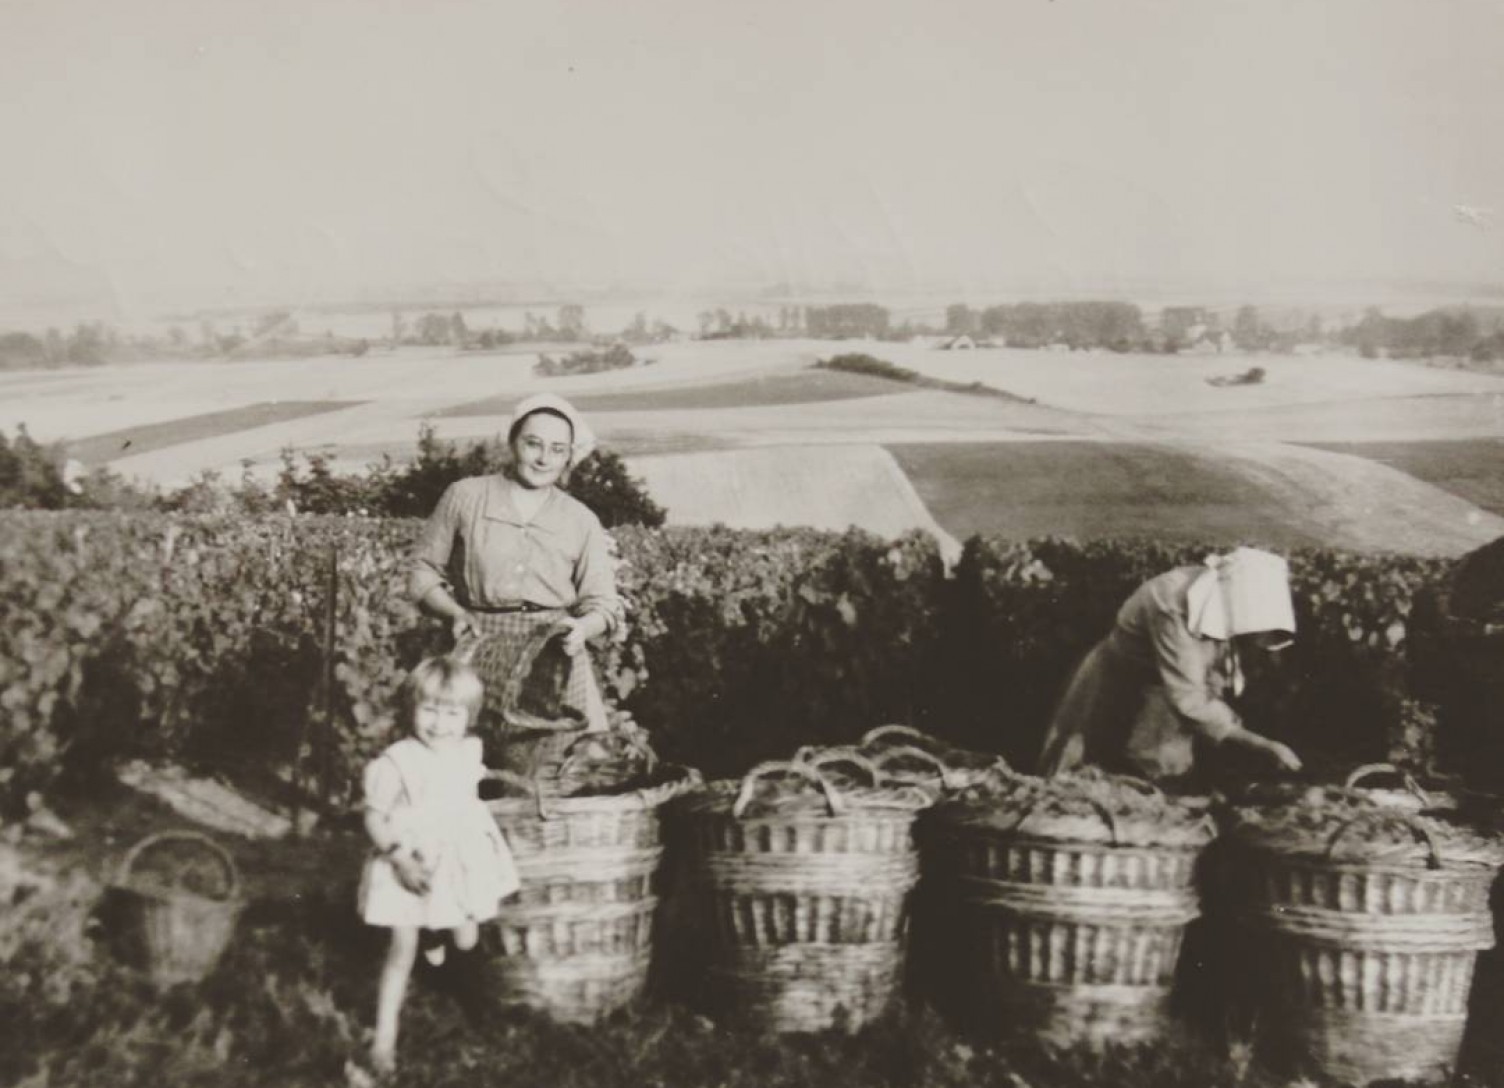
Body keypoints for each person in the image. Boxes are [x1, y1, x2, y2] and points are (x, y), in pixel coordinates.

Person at [405, 393, 625, 741]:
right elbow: (422, 571)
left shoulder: (581, 519)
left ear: (569, 456)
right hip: (478, 643)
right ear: (512, 443)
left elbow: (603, 603)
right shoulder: (465, 497)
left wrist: (582, 629)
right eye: (533, 444)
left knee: (557, 756)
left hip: (553, 655)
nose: (543, 459)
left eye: (557, 449)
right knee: (462, 751)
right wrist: (454, 613)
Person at [358, 656, 520, 1075]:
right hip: (410, 863)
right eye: (429, 710)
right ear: (411, 708)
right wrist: (399, 857)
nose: (440, 724)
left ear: (469, 717)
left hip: (456, 863)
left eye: (453, 714)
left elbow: (467, 798)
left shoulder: (468, 751)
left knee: (466, 937)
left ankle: (443, 948)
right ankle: (384, 1039)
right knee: (402, 950)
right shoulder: (397, 762)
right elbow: (374, 817)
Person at [1037, 546, 1303, 783]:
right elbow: (1189, 700)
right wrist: (1261, 744)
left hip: (1170, 688)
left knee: (1167, 772)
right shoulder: (1172, 606)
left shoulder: (1221, 597)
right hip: (1121, 683)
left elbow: (1213, 669)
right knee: (1086, 772)